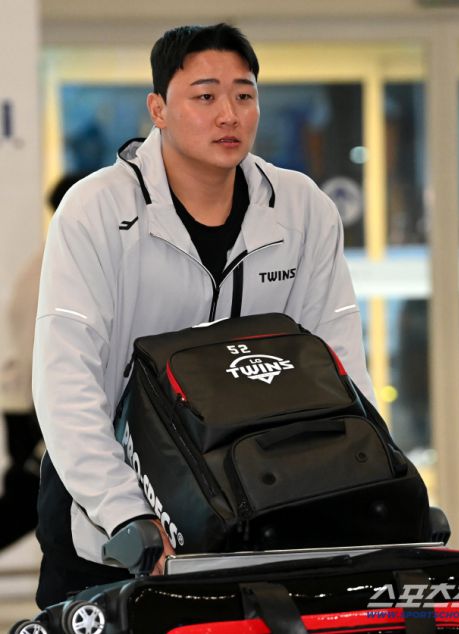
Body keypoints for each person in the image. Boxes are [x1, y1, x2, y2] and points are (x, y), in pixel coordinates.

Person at [33, 23, 374, 609]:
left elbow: (339, 364)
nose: (229, 115)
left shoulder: (303, 211)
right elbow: (66, 379)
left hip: (258, 504)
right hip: (111, 519)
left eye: (244, 95)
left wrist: (369, 481)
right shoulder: (96, 211)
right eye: (206, 96)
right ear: (158, 109)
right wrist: (125, 513)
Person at [0, 174, 87, 551]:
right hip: (35, 406)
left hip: (28, 403)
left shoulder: (55, 258)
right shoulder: (57, 265)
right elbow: (43, 351)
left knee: (32, 505)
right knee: (26, 505)